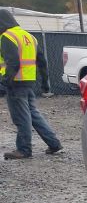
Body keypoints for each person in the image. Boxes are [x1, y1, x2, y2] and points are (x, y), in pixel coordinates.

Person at [0, 9, 62, 160]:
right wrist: (45, 83)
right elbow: (42, 62)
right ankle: (54, 144)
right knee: (33, 115)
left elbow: (13, 62)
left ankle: (23, 149)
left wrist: (3, 84)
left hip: (15, 84)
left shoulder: (6, 37)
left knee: (21, 118)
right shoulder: (29, 37)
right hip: (28, 83)